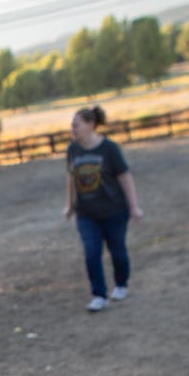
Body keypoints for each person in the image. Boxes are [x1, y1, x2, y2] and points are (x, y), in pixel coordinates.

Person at [63, 105, 143, 312]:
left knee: (117, 251)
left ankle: (121, 283)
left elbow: (125, 176)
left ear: (90, 125)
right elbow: (71, 177)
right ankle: (99, 295)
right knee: (91, 252)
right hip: (86, 213)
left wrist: (134, 206)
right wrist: (70, 204)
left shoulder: (109, 149)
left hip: (114, 211)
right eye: (72, 126)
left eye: (76, 125)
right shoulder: (73, 149)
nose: (73, 129)